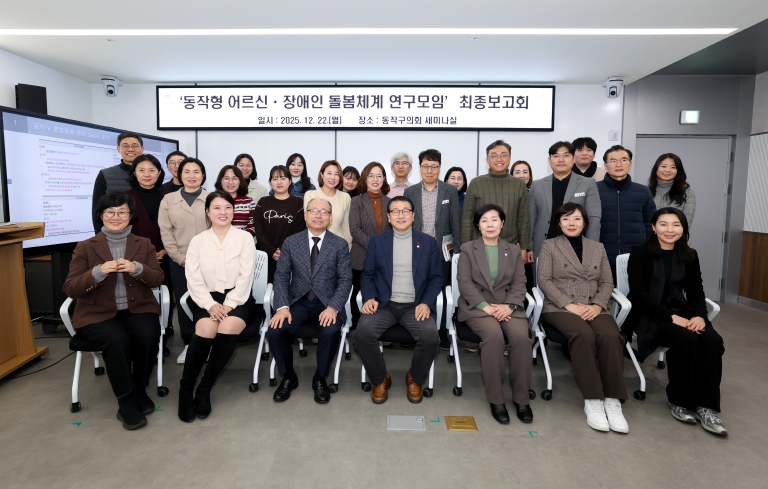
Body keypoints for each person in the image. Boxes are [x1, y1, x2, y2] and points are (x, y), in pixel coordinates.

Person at [63, 192, 165, 430]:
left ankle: (139, 389)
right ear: (101, 215)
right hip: (97, 313)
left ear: (131, 216)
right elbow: (70, 288)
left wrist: (137, 268)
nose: (116, 217)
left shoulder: (144, 244)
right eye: (110, 212)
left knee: (148, 335)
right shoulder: (85, 247)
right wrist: (97, 272)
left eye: (122, 212)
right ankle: (125, 400)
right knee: (116, 340)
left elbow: (158, 279)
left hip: (138, 308)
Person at [623, 207, 726, 435]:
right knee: (687, 340)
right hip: (650, 314)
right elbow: (639, 294)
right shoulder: (640, 252)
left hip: (683, 312)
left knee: (712, 340)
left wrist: (699, 316)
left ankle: (707, 407)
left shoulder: (689, 255)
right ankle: (680, 401)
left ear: (683, 228)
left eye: (676, 225)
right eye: (663, 224)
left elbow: (696, 291)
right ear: (653, 227)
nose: (670, 230)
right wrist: (671, 318)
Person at [537, 203, 629, 433]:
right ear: (559, 223)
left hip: (593, 306)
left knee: (611, 336)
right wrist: (569, 305)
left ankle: (613, 400)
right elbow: (544, 280)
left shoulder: (597, 247)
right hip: (559, 307)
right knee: (583, 335)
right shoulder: (549, 246)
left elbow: (607, 281)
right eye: (566, 219)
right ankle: (593, 399)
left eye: (576, 219)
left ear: (585, 223)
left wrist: (597, 306)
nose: (571, 223)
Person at [178, 191, 256, 422]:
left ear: (234, 211)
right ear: (208, 212)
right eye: (217, 208)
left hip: (238, 298)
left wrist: (229, 304)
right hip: (206, 298)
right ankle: (185, 389)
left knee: (227, 328)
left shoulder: (244, 238)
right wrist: (210, 304)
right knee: (205, 329)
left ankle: (205, 387)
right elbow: (193, 279)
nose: (223, 212)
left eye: (228, 207)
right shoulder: (198, 241)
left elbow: (246, 277)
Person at [356, 196, 443, 404]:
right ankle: (380, 378)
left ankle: (415, 378)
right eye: (395, 211)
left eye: (405, 211)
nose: (400, 215)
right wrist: (369, 297)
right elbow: (367, 274)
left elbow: (436, 278)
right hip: (384, 304)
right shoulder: (378, 241)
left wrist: (426, 302)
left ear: (413, 216)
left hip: (415, 305)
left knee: (431, 336)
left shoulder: (428, 242)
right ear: (389, 217)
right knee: (363, 333)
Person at [267, 198, 353, 404]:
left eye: (324, 211)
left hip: (326, 302)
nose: (318, 215)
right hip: (297, 301)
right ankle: (288, 377)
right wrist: (282, 307)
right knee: (275, 330)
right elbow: (281, 277)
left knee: (331, 331)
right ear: (305, 215)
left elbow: (345, 279)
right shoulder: (291, 242)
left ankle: (320, 378)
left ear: (330, 218)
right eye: (314, 210)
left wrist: (333, 307)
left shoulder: (339, 244)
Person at [457, 204, 532, 424]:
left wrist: (510, 306)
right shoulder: (468, 249)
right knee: (493, 337)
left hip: (508, 307)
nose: (490, 224)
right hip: (478, 308)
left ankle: (521, 398)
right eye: (484, 220)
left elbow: (520, 282)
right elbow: (465, 283)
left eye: (494, 220)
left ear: (502, 223)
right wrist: (486, 307)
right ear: (478, 226)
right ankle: (496, 399)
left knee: (522, 338)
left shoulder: (514, 251)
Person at [405, 149, 462, 350]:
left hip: (443, 251)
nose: (430, 171)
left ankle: (441, 330)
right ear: (420, 168)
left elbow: (455, 223)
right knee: (416, 289)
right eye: (426, 166)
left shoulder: (449, 191)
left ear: (439, 168)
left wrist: (457, 251)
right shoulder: (410, 192)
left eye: (434, 166)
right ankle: (415, 330)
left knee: (443, 291)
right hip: (416, 250)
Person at [158, 158, 210, 364]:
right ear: (179, 175)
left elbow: (218, 230)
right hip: (179, 261)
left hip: (208, 262)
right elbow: (165, 232)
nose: (191, 176)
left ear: (203, 175)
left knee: (207, 301)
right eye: (186, 171)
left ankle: (207, 342)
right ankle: (189, 344)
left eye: (196, 171)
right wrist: (179, 258)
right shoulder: (168, 200)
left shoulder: (212, 198)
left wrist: (206, 259)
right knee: (183, 302)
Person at [123, 155, 173, 355]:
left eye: (152, 170)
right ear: (134, 173)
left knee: (165, 297)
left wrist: (166, 250)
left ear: (159, 173)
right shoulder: (125, 198)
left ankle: (163, 338)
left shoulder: (168, 197)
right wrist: (144, 254)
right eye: (141, 170)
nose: (147, 174)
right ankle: (139, 340)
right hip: (134, 258)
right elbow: (121, 229)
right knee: (139, 298)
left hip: (166, 255)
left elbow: (175, 228)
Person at [462, 140, 531, 266]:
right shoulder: (476, 183)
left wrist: (524, 247)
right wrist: (466, 247)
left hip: (511, 247)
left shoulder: (519, 184)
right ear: (487, 160)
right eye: (494, 155)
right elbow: (467, 219)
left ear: (510, 158)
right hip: (479, 248)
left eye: (503, 155)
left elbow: (524, 219)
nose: (499, 159)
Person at [529, 141, 601, 260]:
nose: (561, 160)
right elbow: (531, 219)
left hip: (577, 246)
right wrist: (529, 247)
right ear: (549, 160)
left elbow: (593, 218)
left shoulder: (588, 184)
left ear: (573, 159)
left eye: (566, 155)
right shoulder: (537, 185)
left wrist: (591, 248)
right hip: (542, 245)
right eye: (556, 156)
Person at [597, 145, 657, 269]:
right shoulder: (594, 190)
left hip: (635, 255)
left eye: (623, 160)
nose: (619, 164)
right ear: (605, 165)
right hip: (601, 257)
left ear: (630, 164)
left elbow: (651, 223)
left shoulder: (643, 191)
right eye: (613, 161)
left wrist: (648, 249)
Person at [348, 162, 391, 326]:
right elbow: (355, 229)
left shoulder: (390, 202)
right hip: (361, 256)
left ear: (384, 179)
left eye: (379, 176)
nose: (375, 179)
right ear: (365, 179)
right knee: (359, 295)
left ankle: (380, 325)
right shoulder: (356, 201)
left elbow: (394, 229)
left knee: (382, 294)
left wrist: (382, 248)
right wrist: (375, 247)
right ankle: (358, 327)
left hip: (386, 256)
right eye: (371, 176)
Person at [254, 165, 307, 283]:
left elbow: (299, 229)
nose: (279, 182)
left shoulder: (299, 203)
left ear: (290, 181)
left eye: (283, 178)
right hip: (266, 256)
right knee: (265, 290)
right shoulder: (263, 202)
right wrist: (272, 251)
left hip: (291, 256)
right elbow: (259, 230)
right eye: (275, 179)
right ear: (270, 182)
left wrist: (284, 250)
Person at [92, 132, 144, 233]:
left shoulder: (150, 175)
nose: (130, 149)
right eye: (125, 146)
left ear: (142, 149)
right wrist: (100, 238)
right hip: (115, 234)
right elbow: (97, 210)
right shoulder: (105, 175)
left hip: (145, 233)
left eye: (135, 146)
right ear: (118, 149)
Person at [303, 160, 353, 248]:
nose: (332, 177)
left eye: (336, 174)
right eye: (329, 173)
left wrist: (347, 246)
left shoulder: (345, 197)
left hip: (339, 247)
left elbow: (347, 227)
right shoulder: (311, 195)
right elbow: (309, 223)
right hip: (316, 245)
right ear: (322, 175)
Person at [648, 153, 696, 229]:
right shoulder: (645, 191)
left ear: (678, 171)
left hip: (676, 235)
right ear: (656, 168)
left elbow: (686, 220)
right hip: (650, 235)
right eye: (664, 166)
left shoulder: (687, 191)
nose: (668, 170)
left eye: (673, 167)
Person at [214, 165, 255, 236]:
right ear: (220, 180)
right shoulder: (214, 201)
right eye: (226, 178)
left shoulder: (249, 202)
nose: (230, 182)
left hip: (243, 241)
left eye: (234, 178)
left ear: (240, 181)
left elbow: (253, 226)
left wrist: (241, 239)